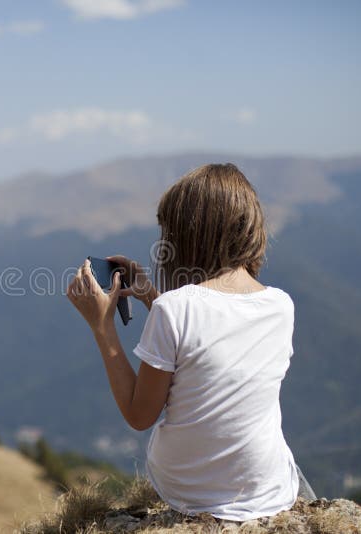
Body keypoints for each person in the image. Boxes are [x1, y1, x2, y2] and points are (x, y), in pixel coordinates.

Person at [66, 163, 316, 522]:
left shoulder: (174, 310)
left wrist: (101, 326)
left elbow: (140, 415)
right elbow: (206, 339)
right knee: (286, 463)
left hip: (189, 489)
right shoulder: (280, 305)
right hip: (265, 489)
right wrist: (150, 295)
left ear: (188, 236)